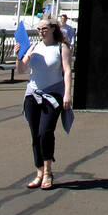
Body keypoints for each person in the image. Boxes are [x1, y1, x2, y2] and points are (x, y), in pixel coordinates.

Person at [17, 17, 73, 190]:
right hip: (32, 95)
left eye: (44, 28)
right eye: (39, 29)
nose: (41, 32)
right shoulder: (33, 47)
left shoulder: (61, 48)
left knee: (45, 132)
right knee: (35, 135)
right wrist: (18, 55)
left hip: (52, 94)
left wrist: (68, 94)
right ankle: (39, 171)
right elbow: (21, 70)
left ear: (53, 29)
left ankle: (48, 171)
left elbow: (67, 71)